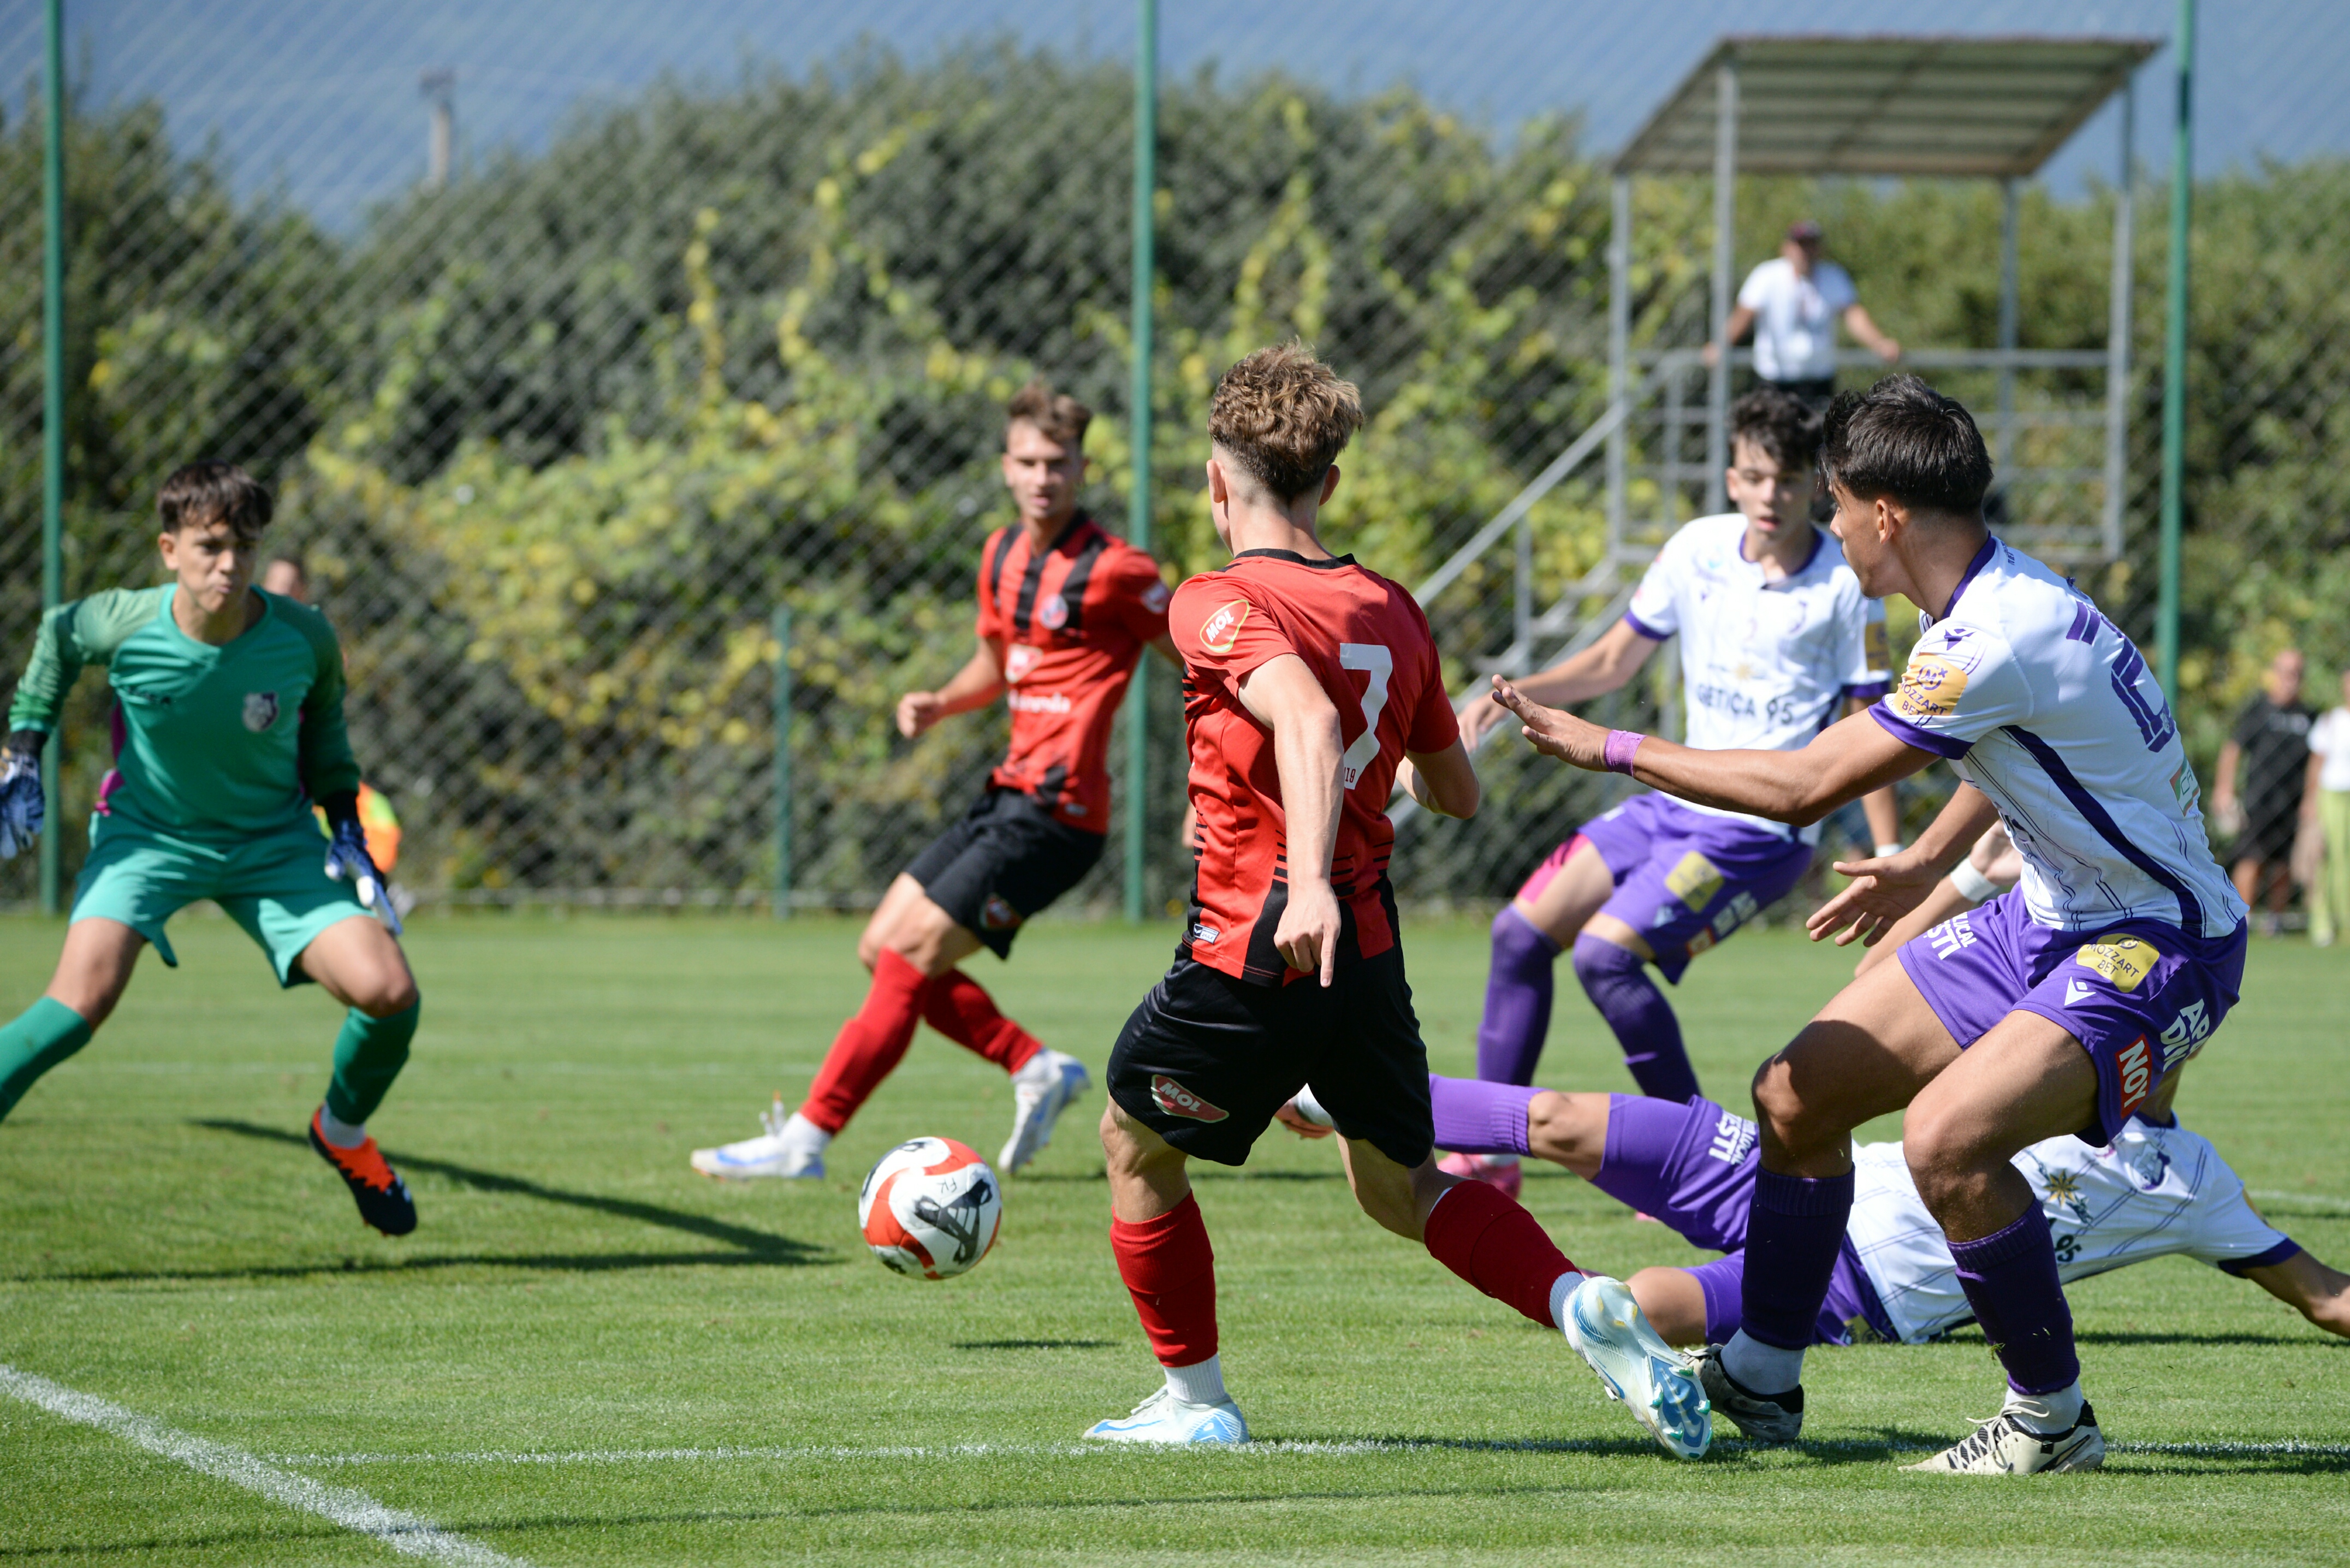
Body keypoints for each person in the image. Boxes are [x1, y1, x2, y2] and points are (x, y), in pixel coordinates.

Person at [1491, 374, 2248, 1475]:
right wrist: (1925, 860)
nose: (1829, 524)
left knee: (1948, 1138)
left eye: (1836, 502)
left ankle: (2051, 1416)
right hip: (2052, 912)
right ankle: (1759, 1368)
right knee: (1797, 1091)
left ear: (1883, 514)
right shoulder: (2003, 601)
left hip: (2161, 940)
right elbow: (2021, 754)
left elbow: (1804, 785)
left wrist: (1607, 745)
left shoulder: (1986, 635)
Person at [1084, 343, 1706, 1459]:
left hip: (1262, 939)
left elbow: (1309, 724)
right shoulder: (1391, 608)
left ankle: (1194, 1400)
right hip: (1367, 953)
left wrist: (1308, 879)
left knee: (1134, 1143)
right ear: (1330, 482)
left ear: (1215, 483)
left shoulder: (1215, 600)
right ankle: (1576, 1299)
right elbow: (1449, 791)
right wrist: (1443, 729)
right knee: (1399, 1185)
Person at [690, 384, 1179, 1181]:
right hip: (1005, 794)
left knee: (910, 955)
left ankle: (804, 1142)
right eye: (1027, 462)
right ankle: (1035, 1066)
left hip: (1060, 814)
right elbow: (997, 659)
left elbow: (1195, 660)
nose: (1042, 477)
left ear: (1084, 469)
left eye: (1058, 463)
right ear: (1005, 468)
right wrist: (942, 703)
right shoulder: (1000, 555)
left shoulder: (1119, 570)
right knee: (879, 946)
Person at [1449, 389, 1897, 1193]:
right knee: (1520, 933)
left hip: (1760, 829)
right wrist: (1511, 696)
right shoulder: (1694, 551)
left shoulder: (1846, 584)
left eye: (1789, 482)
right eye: (1757, 477)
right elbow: (1614, 660)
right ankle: (1492, 1152)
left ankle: (1696, 1167)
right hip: (1665, 801)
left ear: (1814, 488)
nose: (1771, 497)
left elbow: (1871, 721)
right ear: (1732, 479)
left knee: (1605, 956)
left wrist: (1892, 853)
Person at [0, 463, 420, 1234]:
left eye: (245, 546)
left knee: (390, 992)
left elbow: (325, 732)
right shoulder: (123, 622)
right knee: (78, 1004)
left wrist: (346, 823)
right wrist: (23, 749)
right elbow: (57, 639)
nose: (229, 564)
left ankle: (343, 1135)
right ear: (170, 550)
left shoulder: (302, 635)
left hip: (275, 844)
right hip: (148, 839)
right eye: (210, 546)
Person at [1281, 1065, 2347, 1354]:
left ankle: (1626, 1343)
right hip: (1806, 1171)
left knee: (1631, 1311)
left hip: (1858, 1284)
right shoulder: (2047, 1046)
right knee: (1559, 1116)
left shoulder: (2196, 1186)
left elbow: (2324, 1297)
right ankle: (1348, 1089)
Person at [262, 556, 414, 921]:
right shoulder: (243, 636)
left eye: (289, 584)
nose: (281, 591)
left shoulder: (315, 641)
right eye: (274, 582)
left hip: (306, 769)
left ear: (303, 591)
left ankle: (374, 886)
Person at [1706, 221, 1901, 408]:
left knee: (1819, 439)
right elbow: (1743, 316)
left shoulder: (1834, 276)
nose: (1805, 252)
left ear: (1819, 248)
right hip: (1774, 378)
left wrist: (1879, 343)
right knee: (1772, 439)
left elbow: (1854, 316)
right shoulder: (1766, 275)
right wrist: (1720, 345)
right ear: (1787, 248)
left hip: (1818, 379)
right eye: (1800, 245)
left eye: (1811, 245)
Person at [2213, 649, 2315, 936]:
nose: (2290, 679)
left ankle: (2276, 922)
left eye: (2296, 673)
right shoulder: (2258, 711)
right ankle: (2241, 919)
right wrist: (2224, 789)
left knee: (2284, 864)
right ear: (2275, 673)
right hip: (2259, 800)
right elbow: (2232, 750)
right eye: (2285, 672)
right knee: (2251, 859)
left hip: (2292, 802)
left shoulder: (2309, 716)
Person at [2302, 669, 2350, 947]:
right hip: (2331, 794)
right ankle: (2323, 922)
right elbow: (2317, 763)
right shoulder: (2332, 720)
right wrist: (2311, 800)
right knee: (2326, 857)